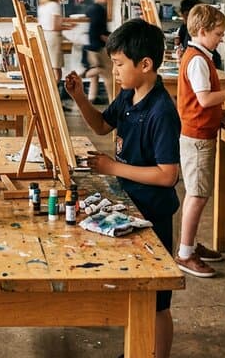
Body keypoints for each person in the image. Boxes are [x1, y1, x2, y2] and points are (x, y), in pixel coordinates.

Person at [65, 18, 180, 358]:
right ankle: (139, 349)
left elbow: (167, 175)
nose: (114, 71)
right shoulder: (129, 96)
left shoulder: (161, 111)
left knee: (157, 298)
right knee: (137, 290)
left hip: (153, 212)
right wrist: (78, 97)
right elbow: (101, 125)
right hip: (131, 207)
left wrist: (112, 167)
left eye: (118, 64)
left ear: (145, 64)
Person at [175, 5, 225, 277]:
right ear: (202, 31)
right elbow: (205, 99)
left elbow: (207, 102)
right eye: (218, 34)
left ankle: (190, 245)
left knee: (198, 192)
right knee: (197, 195)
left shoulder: (200, 55)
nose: (222, 38)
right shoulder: (197, 60)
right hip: (197, 137)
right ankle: (185, 253)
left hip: (201, 133)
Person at [38, 0, 74, 99]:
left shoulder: (43, 4)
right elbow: (55, 26)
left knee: (48, 69)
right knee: (56, 71)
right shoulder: (54, 5)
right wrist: (70, 27)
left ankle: (48, 97)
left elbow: (48, 23)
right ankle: (52, 98)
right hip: (53, 39)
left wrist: (65, 23)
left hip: (44, 36)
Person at [83, 0, 113, 105]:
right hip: (98, 47)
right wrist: (110, 40)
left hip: (91, 46)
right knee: (109, 75)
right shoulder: (99, 10)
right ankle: (113, 100)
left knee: (94, 79)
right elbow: (99, 31)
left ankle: (91, 99)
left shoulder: (91, 8)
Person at [175, 0, 223, 69]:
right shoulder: (184, 27)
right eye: (218, 34)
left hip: (211, 63)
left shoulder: (198, 59)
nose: (221, 39)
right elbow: (182, 46)